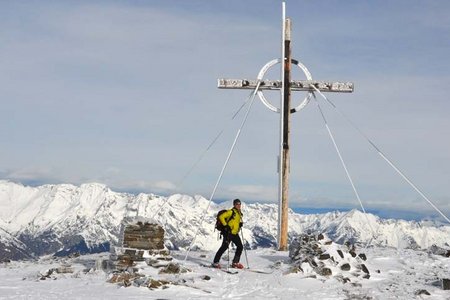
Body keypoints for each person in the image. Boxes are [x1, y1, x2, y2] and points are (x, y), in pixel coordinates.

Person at [212, 198, 244, 269]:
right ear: (234, 205)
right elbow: (221, 217)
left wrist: (240, 224)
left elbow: (234, 222)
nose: (238, 205)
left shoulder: (239, 212)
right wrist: (225, 225)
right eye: (237, 204)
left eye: (239, 204)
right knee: (224, 247)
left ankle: (235, 263)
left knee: (240, 247)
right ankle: (215, 262)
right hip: (228, 233)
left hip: (235, 233)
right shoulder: (231, 211)